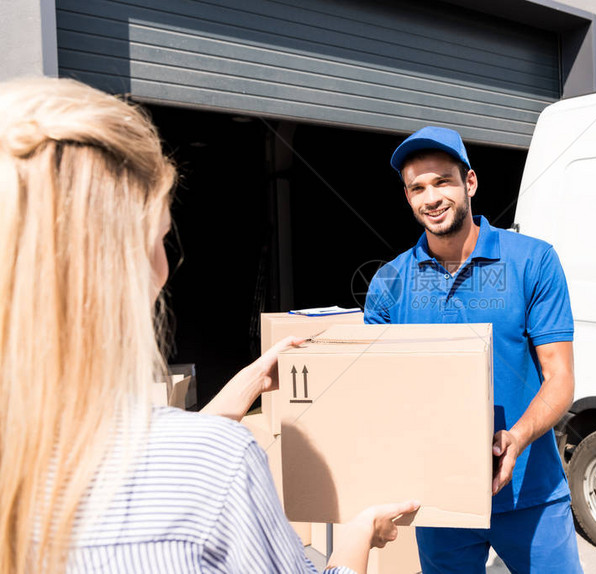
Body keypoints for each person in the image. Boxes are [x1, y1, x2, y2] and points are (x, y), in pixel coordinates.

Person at [0, 77, 418, 574]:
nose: (166, 265)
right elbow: (176, 472)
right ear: (130, 267)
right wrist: (358, 533)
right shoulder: (217, 467)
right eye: (160, 239)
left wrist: (243, 387)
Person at [364, 126, 584, 573]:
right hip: (440, 498)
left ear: (470, 183)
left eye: (443, 181)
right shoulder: (388, 283)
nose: (431, 198)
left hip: (531, 492)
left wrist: (516, 438)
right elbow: (382, 395)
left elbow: (560, 378)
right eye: (417, 188)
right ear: (407, 198)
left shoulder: (532, 261)